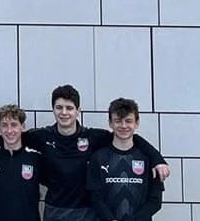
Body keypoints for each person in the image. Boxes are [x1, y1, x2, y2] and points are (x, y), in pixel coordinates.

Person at [24, 84, 169, 221]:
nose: (64, 113)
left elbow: (127, 136)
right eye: (59, 107)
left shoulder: (93, 137)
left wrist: (157, 159)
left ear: (78, 110)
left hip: (86, 212)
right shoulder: (42, 136)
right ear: (53, 109)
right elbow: (13, 138)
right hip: (55, 211)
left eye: (69, 108)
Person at [87, 98, 164, 221]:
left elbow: (155, 201)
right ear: (110, 123)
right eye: (118, 121)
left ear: (137, 123)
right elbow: (94, 197)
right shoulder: (98, 157)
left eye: (128, 121)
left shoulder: (149, 158)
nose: (123, 126)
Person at [0, 104, 42, 221]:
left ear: (23, 127)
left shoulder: (36, 157)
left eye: (14, 125)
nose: (9, 130)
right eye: (4, 125)